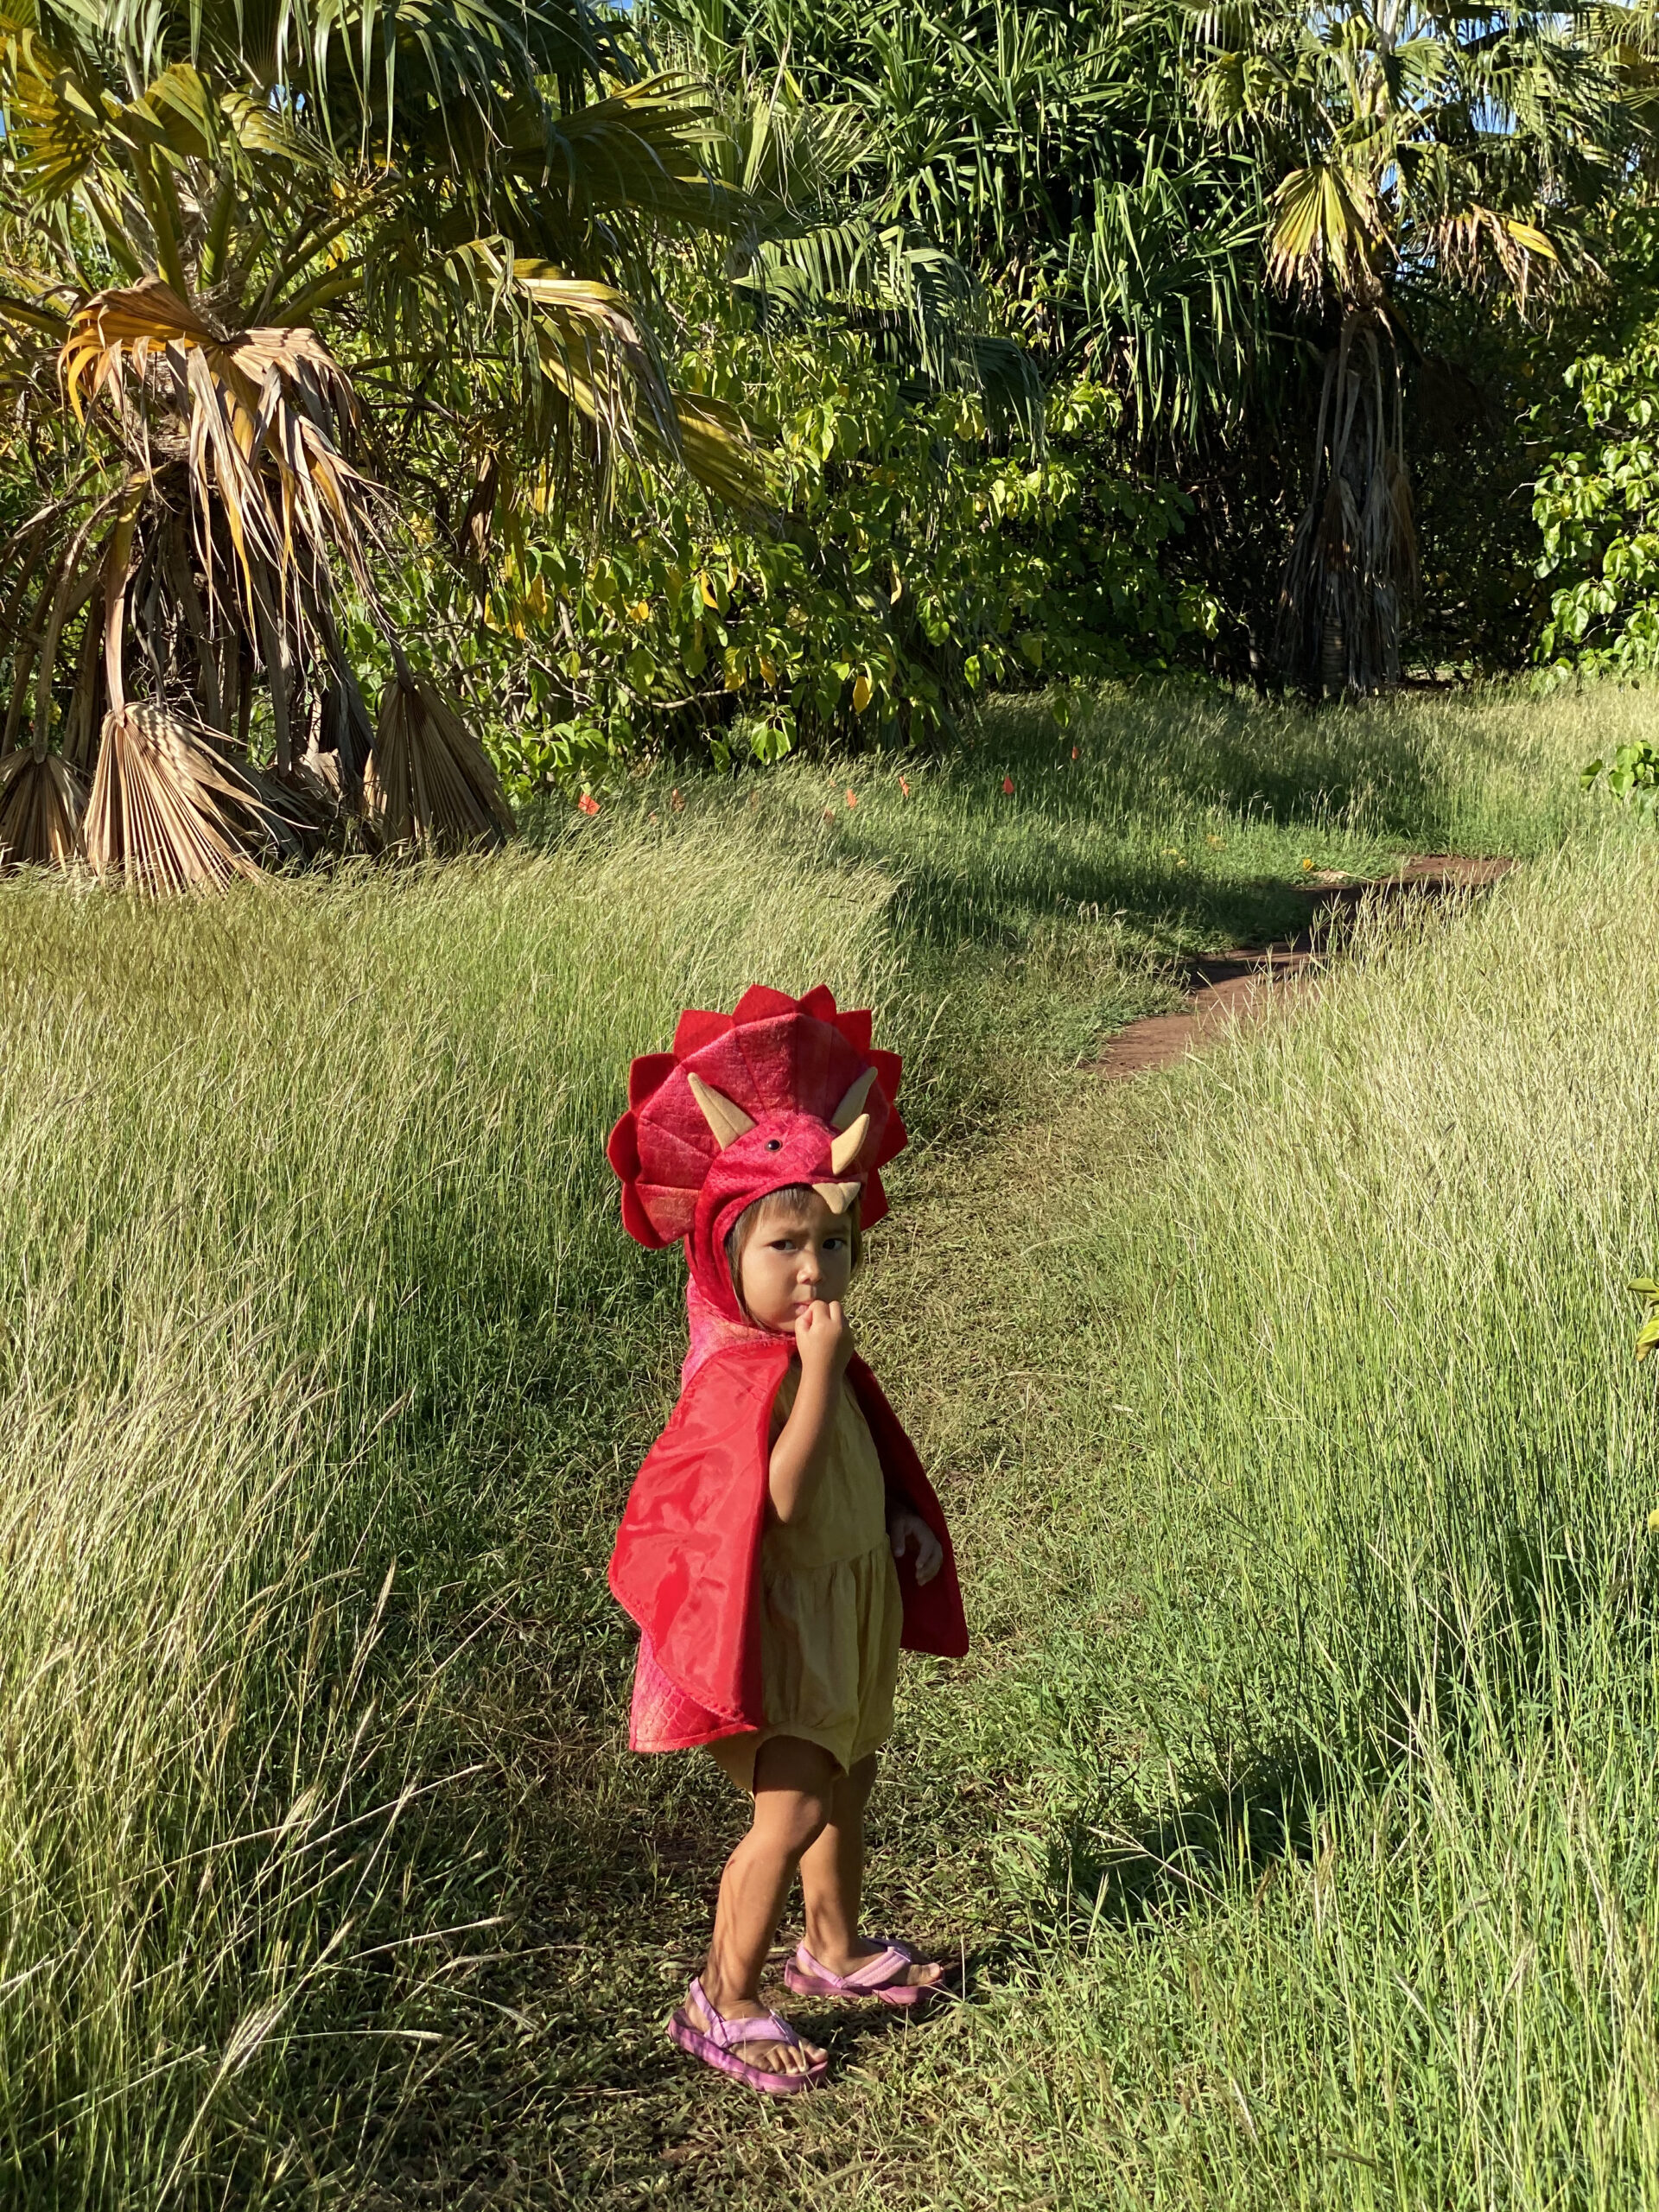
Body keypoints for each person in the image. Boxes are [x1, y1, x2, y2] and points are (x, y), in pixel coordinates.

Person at [606, 985, 969, 2096]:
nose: (813, 1269)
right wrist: (813, 1372)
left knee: (849, 1781)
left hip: (848, 1599)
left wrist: (903, 1519)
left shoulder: (817, 1355)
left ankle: (833, 1946)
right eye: (784, 1245)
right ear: (726, 1250)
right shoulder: (750, 1374)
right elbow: (783, 1494)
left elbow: (860, 1460)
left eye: (831, 1242)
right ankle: (725, 1994)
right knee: (796, 1802)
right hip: (788, 1624)